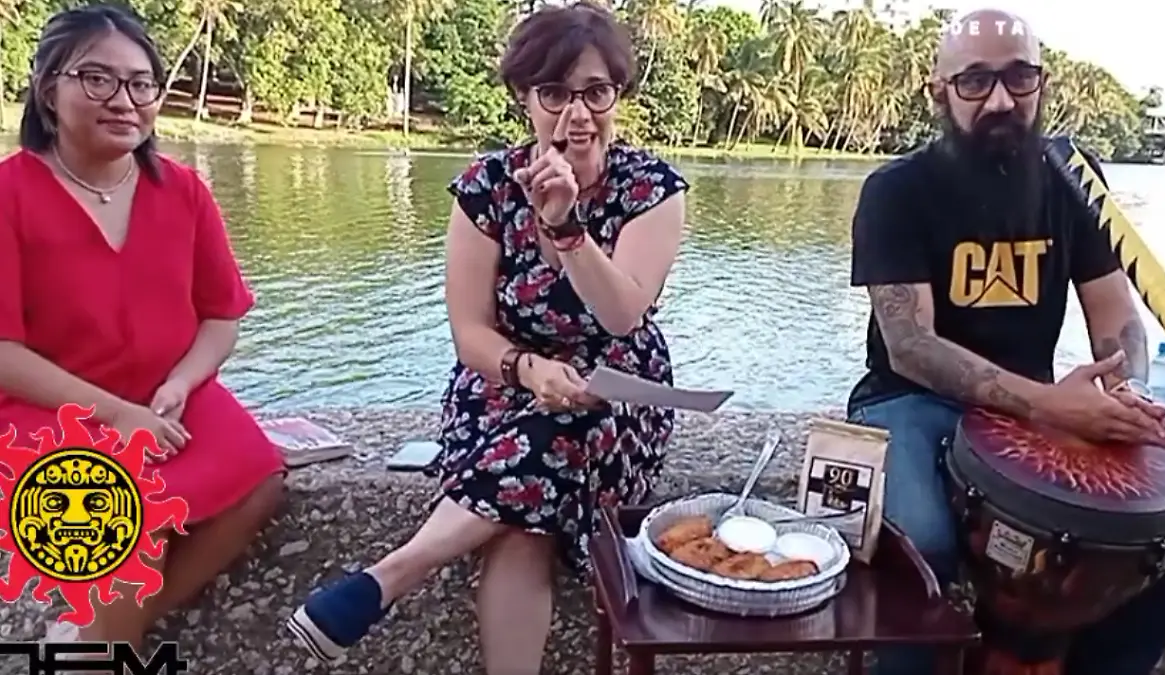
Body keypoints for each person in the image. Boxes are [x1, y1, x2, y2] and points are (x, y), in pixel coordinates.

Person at [286, 2, 688, 672]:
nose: (577, 114)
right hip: (504, 384)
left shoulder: (650, 188)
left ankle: (391, 574)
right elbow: (469, 332)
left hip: (615, 396)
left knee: (575, 423)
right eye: (555, 93)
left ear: (618, 95)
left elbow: (623, 314)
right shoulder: (487, 187)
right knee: (523, 525)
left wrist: (566, 228)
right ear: (524, 98)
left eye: (596, 92)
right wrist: (529, 370)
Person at [845, 8, 1165, 675]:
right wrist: (1049, 404)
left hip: (1035, 408)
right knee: (923, 542)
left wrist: (1127, 392)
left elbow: (1115, 314)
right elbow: (910, 345)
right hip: (908, 400)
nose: (1002, 100)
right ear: (939, 91)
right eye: (975, 81)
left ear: (1042, 81)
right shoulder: (896, 190)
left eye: (1019, 77)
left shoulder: (1074, 177)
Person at [0, 5, 285, 647]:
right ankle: (109, 650)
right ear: (48, 89)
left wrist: (182, 382)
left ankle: (92, 640)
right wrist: (115, 415)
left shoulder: (182, 190)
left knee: (259, 482)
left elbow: (222, 316)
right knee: (125, 523)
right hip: (46, 409)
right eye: (97, 79)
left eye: (140, 83)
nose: (124, 100)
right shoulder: (8, 194)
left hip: (165, 396)